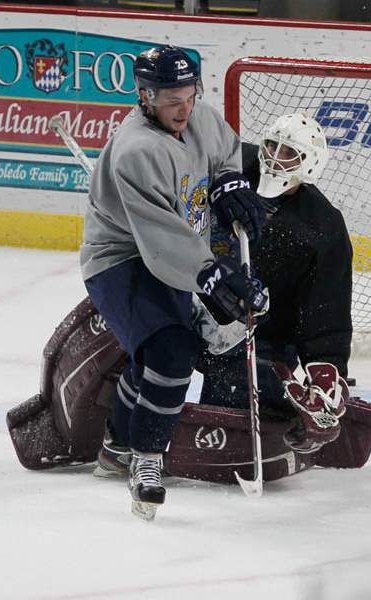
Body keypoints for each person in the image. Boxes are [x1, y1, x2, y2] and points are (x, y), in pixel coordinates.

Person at [80, 45, 267, 518]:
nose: (185, 109)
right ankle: (146, 460)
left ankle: (116, 445)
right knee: (171, 351)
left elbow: (225, 152)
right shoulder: (135, 150)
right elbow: (159, 240)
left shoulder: (198, 117)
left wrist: (228, 181)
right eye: (171, 100)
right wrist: (208, 273)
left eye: (190, 95)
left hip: (177, 250)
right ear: (145, 97)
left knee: (154, 357)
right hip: (121, 258)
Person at [200, 113, 354, 454]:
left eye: (289, 154)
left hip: (259, 333)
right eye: (271, 146)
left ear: (310, 164)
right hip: (193, 299)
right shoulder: (230, 169)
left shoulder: (322, 227)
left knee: (245, 386)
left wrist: (326, 366)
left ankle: (280, 404)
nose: (274, 158)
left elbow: (325, 310)